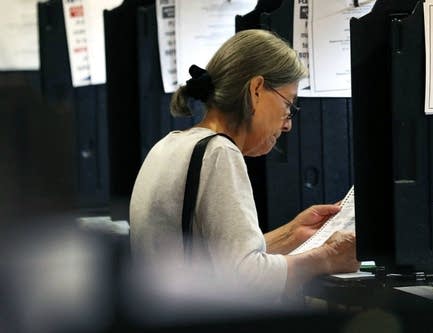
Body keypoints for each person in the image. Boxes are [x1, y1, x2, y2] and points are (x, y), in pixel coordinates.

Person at [129, 29, 359, 300]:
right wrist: (327, 257)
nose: (288, 124)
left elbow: (217, 261)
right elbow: (248, 278)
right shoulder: (219, 153)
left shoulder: (171, 145)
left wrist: (292, 234)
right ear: (256, 89)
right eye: (289, 105)